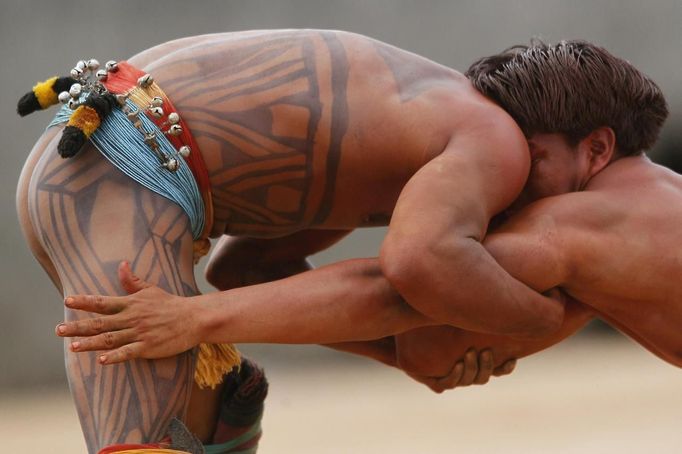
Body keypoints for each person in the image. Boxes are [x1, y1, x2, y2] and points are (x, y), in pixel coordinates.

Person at [19, 31, 665, 451]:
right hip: (122, 178)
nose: (521, 199)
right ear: (597, 148)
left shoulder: (401, 139)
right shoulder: (498, 141)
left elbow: (246, 272)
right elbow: (411, 271)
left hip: (103, 155)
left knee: (223, 421)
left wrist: (407, 356)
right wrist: (532, 318)